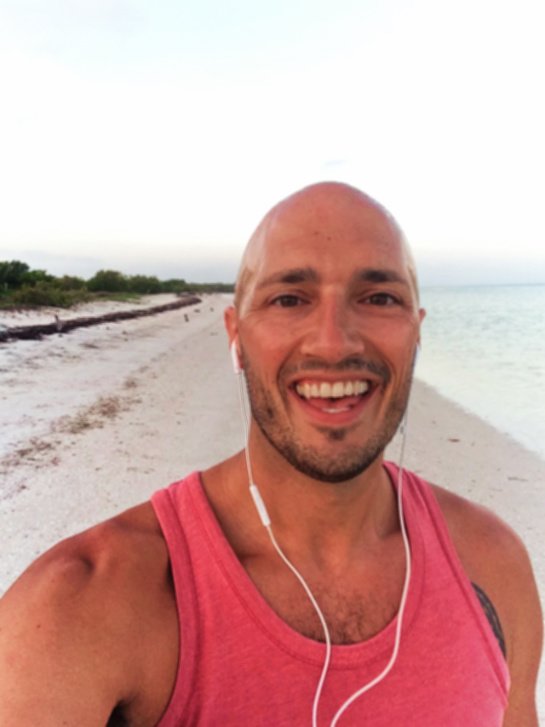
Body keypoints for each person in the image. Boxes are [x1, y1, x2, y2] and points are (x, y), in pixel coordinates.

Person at [0, 182, 542, 726]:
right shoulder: (85, 606)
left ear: (416, 333)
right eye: (289, 299)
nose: (333, 343)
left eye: (379, 298)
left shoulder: (491, 563)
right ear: (236, 336)